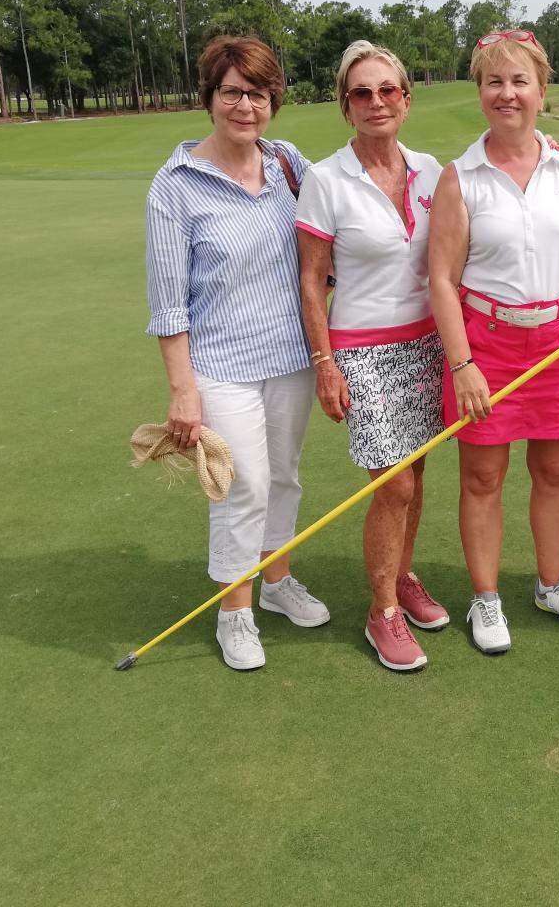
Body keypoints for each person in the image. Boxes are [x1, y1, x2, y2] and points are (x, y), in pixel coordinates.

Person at [428, 29, 559, 655]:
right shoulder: (461, 177)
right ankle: (486, 598)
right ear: (480, 92)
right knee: (483, 475)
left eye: (520, 81)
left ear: (542, 90)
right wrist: (462, 364)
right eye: (494, 82)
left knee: (556, 469)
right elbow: (441, 279)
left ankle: (551, 585)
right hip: (484, 343)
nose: (507, 93)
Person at [145, 35, 329, 672]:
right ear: (209, 98)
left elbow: (331, 230)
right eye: (231, 93)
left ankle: (276, 582)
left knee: (283, 477)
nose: (245, 106)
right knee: (242, 484)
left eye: (257, 94)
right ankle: (235, 612)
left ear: (273, 100)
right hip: (221, 368)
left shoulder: (287, 163)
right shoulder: (175, 185)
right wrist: (183, 391)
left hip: (291, 358)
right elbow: (168, 303)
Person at [295, 41, 449, 673]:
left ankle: (403, 577)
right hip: (362, 349)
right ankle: (382, 610)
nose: (376, 101)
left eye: (388, 90)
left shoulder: (431, 170)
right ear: (346, 105)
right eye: (362, 92)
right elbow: (312, 281)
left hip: (428, 344)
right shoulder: (326, 179)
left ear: (406, 100)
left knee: (417, 473)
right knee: (395, 483)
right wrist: (324, 363)